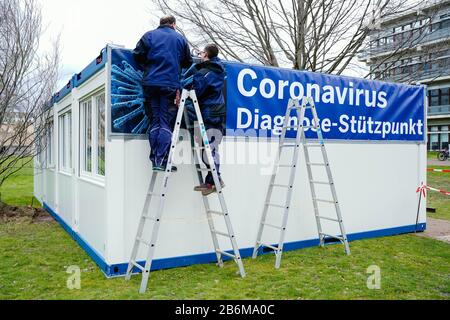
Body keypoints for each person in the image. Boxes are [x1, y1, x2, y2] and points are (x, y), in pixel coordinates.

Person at [133, 15, 192, 171]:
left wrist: (148, 65)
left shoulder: (149, 35)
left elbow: (137, 54)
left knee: (156, 121)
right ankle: (160, 159)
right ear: (173, 24)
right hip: (169, 85)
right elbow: (188, 61)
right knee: (165, 122)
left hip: (150, 84)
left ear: (160, 24)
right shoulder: (180, 39)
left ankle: (155, 160)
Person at [184, 44, 227, 196]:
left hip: (209, 113)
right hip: (211, 112)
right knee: (206, 147)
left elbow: (198, 91)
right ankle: (211, 181)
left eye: (201, 52)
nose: (199, 54)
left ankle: (215, 181)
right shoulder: (218, 68)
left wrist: (185, 89)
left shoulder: (205, 72)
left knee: (209, 148)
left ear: (206, 55)